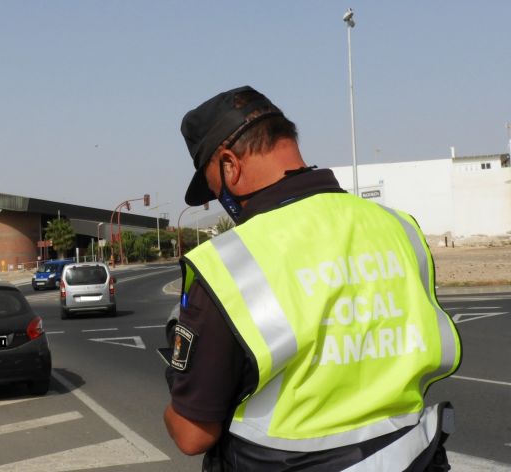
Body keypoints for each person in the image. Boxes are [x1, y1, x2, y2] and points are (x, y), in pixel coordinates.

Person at [163, 85, 461, 471]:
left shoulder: (229, 263)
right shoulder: (399, 228)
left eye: (217, 191)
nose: (224, 203)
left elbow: (192, 434)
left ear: (230, 165)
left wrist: (175, 385)